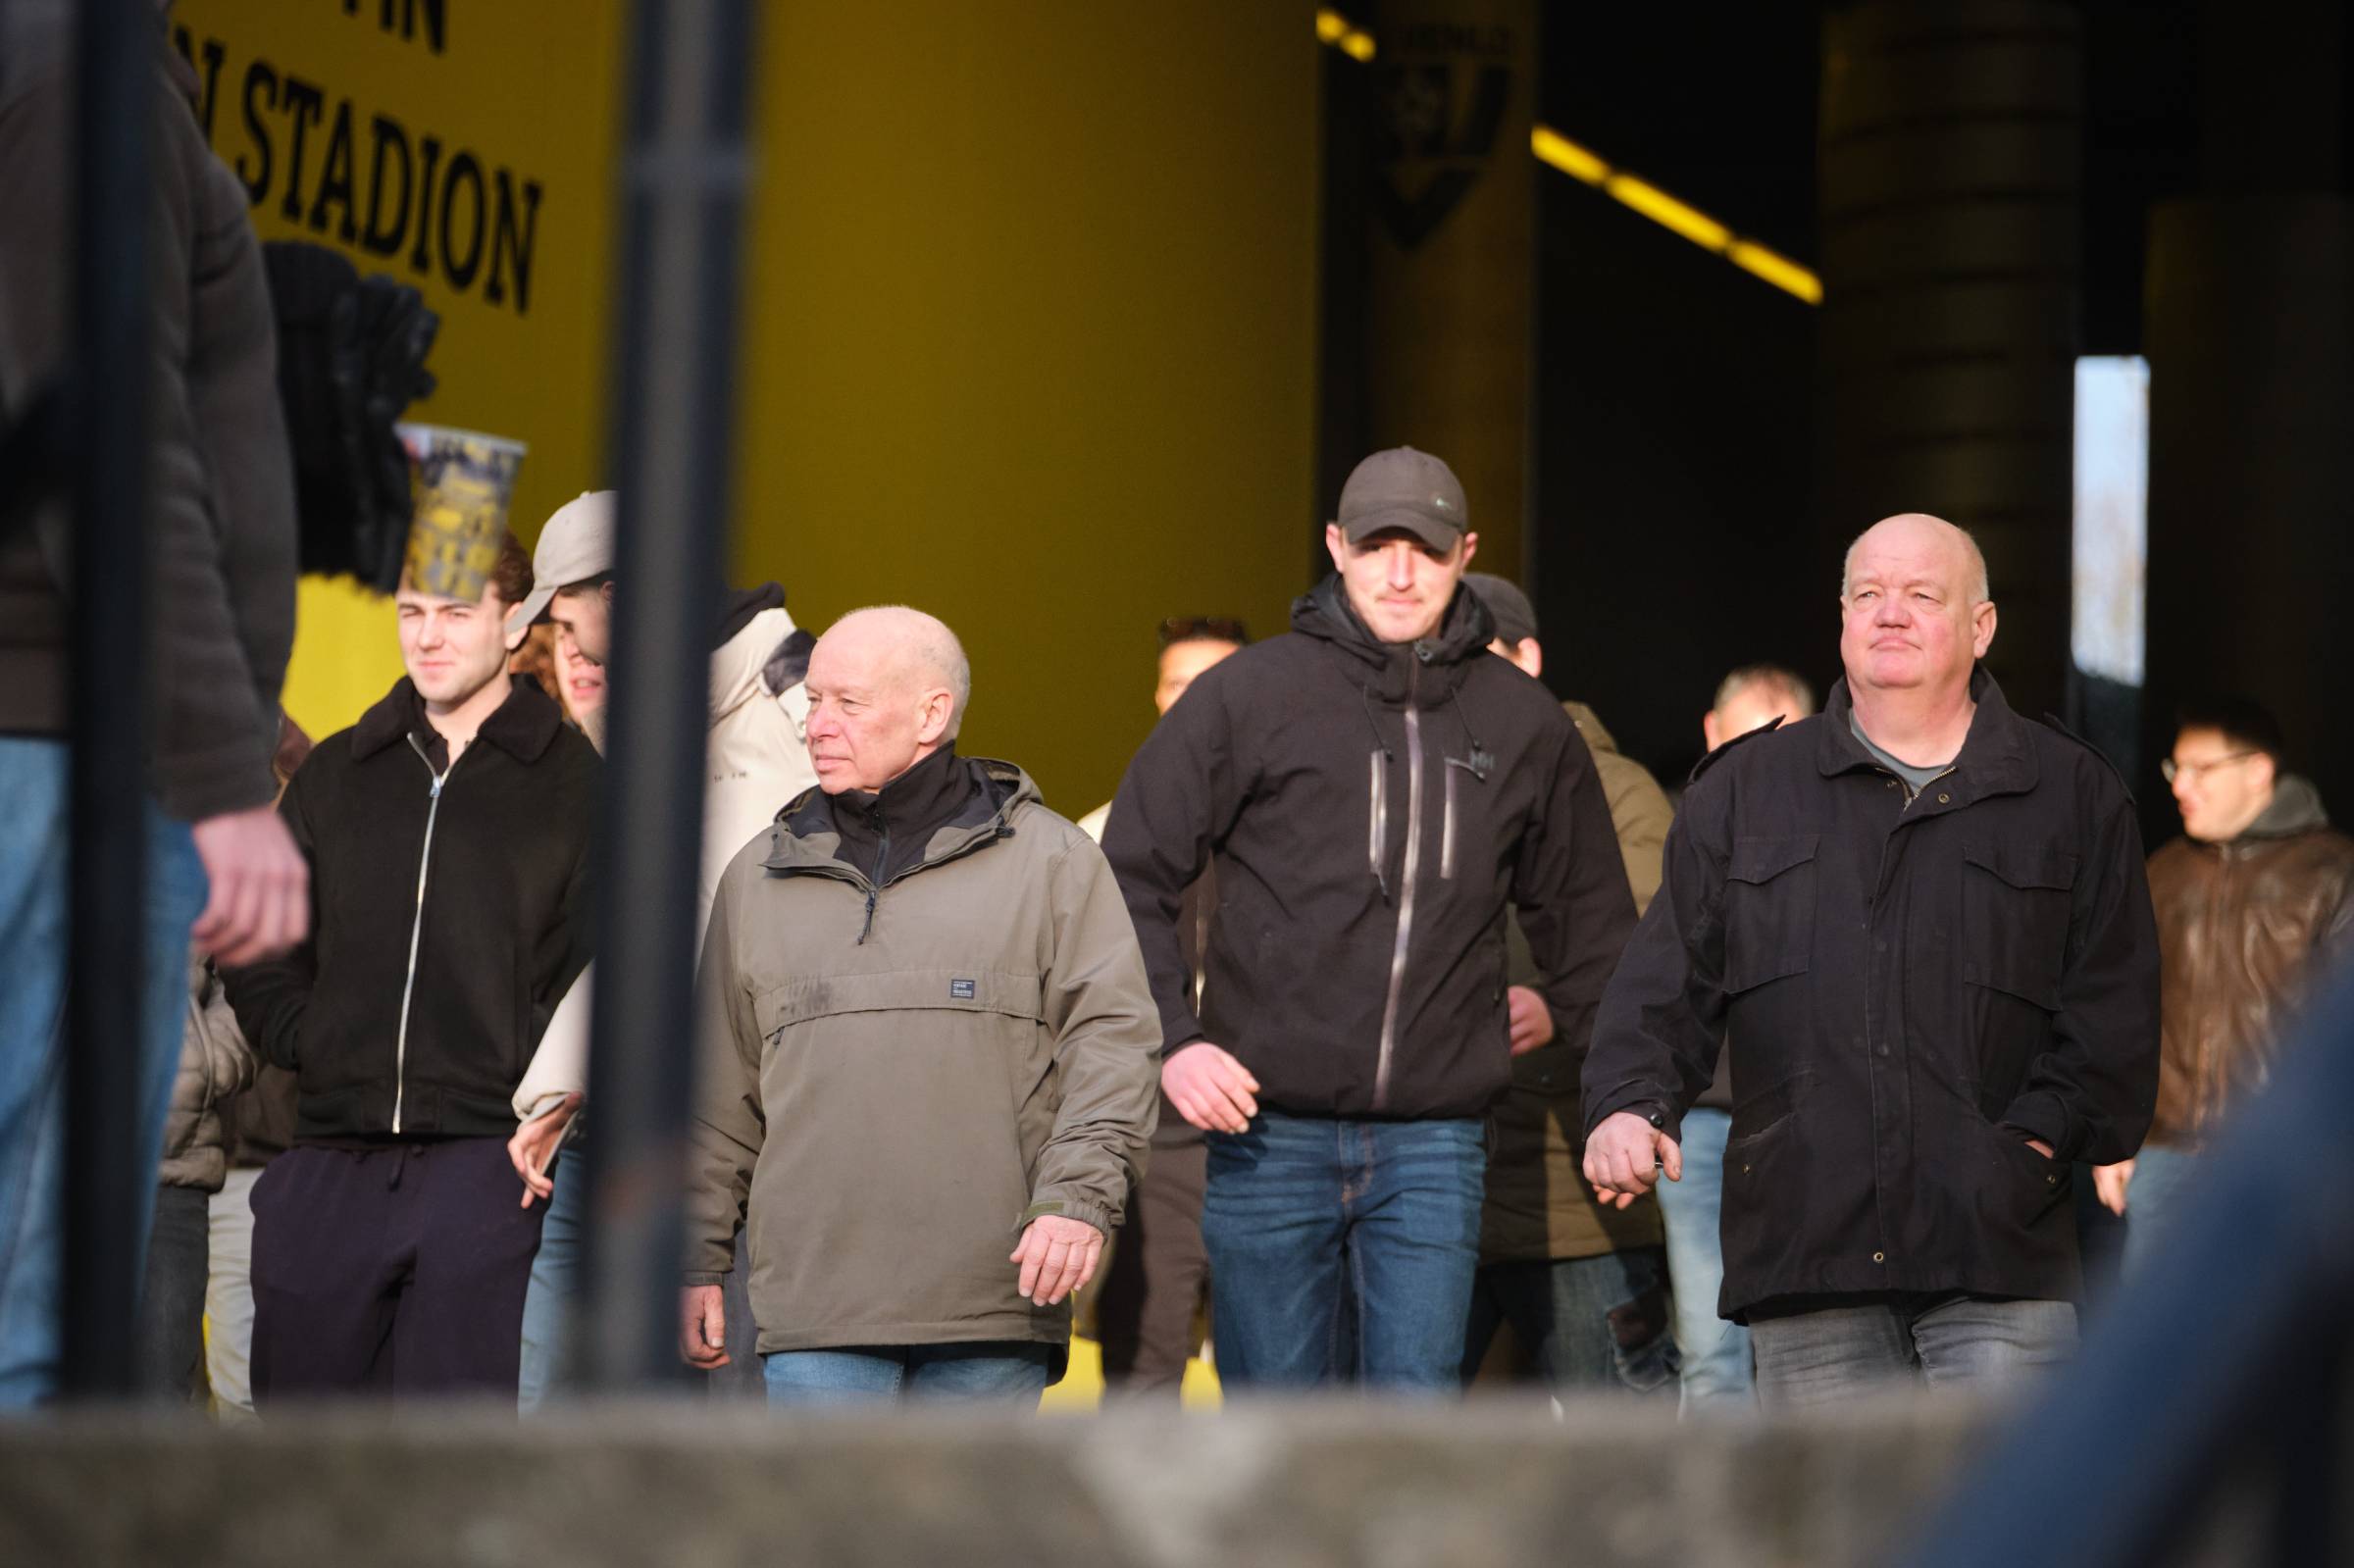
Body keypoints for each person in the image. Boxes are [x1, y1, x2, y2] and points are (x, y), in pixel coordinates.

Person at [1582, 513, 2159, 1408]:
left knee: (2006, 1498)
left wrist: (2030, 1146)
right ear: (1843, 616)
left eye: (1923, 594)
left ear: (1981, 626)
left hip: (1998, 1253)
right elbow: (1665, 980)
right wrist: (1627, 1100)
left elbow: (2112, 1014)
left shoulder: (2071, 794)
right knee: (1831, 1506)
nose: (1891, 612)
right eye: (1869, 593)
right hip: (1809, 1253)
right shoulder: (1745, 790)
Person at [1103, 447, 1636, 1391]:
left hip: (1436, 1143)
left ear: (1466, 552)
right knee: (1278, 1431)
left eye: (1425, 548)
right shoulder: (1249, 695)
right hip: (1266, 1133)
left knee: (1408, 1429)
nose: (1399, 572)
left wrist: (1625, 1096)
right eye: (1376, 545)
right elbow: (1127, 872)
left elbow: (1592, 926)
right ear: (1335, 546)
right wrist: (1173, 1041)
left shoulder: (1524, 724)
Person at [0, 5, 307, 1404]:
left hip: (72, 747)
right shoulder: (73, 69)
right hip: (63, 748)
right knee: (34, 1310)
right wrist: (224, 771)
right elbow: (107, 439)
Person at [680, 607, 1158, 1404]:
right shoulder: (756, 877)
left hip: (995, 1302)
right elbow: (716, 1091)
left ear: (932, 713)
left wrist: (1077, 1199)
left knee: (965, 1503)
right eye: (815, 700)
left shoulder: (1053, 863)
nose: (817, 723)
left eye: (849, 702)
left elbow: (1113, 1043)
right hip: (814, 1313)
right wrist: (694, 1257)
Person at [223, 536, 598, 1400]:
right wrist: (312, 1038)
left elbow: (602, 962)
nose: (428, 636)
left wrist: (531, 1071)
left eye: (456, 612)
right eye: (412, 612)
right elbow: (255, 935)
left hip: (491, 1166)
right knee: (305, 1456)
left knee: (458, 1458)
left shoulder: (579, 786)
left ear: (515, 622)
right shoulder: (337, 773)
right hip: (329, 1156)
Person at [1456, 573, 1679, 1395]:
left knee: (1613, 1448)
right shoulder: (1424, 777)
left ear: (1529, 657)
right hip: (1438, 1193)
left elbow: (1656, 947)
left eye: (1478, 657)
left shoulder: (1613, 788)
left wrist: (1559, 1004)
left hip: (1574, 1195)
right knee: (1404, 1449)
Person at [2095, 698, 2354, 1274]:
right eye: (2175, 767)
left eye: (2201, 769)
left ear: (2257, 770)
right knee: (2163, 1329)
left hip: (2288, 1161)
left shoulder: (2334, 873)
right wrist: (2113, 1134)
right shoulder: (2163, 872)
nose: (2180, 784)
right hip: (2163, 1159)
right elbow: (2124, 1014)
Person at [1077, 616, 1247, 1400]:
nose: (1197, 702)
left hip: (1277, 1128)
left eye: (1217, 684)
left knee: (1280, 1368)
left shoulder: (1307, 827)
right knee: (1141, 1369)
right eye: (1181, 684)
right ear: (1156, 696)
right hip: (1153, 1132)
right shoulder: (1096, 838)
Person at [1657, 664, 1817, 1411]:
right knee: (1711, 1346)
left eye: (1781, 744)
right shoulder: (1676, 836)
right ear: (1710, 733)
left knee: (1810, 1348)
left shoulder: (1840, 842)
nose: (1759, 764)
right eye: (1744, 743)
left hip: (1807, 1119)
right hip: (1699, 1124)